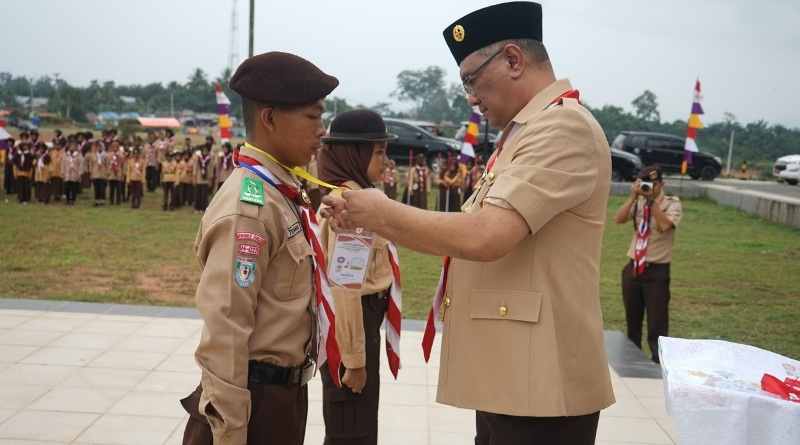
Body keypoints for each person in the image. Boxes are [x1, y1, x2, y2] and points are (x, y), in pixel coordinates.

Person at [322, 3, 615, 444]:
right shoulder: (525, 132)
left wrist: (380, 211)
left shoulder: (561, 128)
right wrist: (373, 220)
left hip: (542, 380)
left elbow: (486, 235)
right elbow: (467, 234)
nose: (471, 98)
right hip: (515, 373)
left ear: (513, 60)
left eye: (471, 79)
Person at [180, 51, 340, 445]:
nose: (322, 130)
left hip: (282, 395)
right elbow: (227, 327)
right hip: (253, 402)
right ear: (269, 118)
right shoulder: (249, 207)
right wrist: (231, 430)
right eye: (312, 117)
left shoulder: (279, 192)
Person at [316, 109, 402, 445]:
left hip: (364, 325)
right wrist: (352, 360)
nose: (385, 160)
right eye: (379, 151)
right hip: (354, 327)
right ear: (355, 153)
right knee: (351, 431)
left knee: (358, 425)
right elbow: (344, 289)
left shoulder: (362, 200)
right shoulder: (348, 207)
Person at [614, 165, 682, 364]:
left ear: (662, 184)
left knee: (657, 324)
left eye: (654, 184)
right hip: (633, 267)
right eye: (645, 183)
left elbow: (665, 226)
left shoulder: (672, 204)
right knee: (632, 319)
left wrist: (652, 203)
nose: (649, 187)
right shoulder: (638, 201)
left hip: (657, 270)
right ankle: (632, 361)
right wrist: (633, 197)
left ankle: (657, 363)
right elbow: (618, 219)